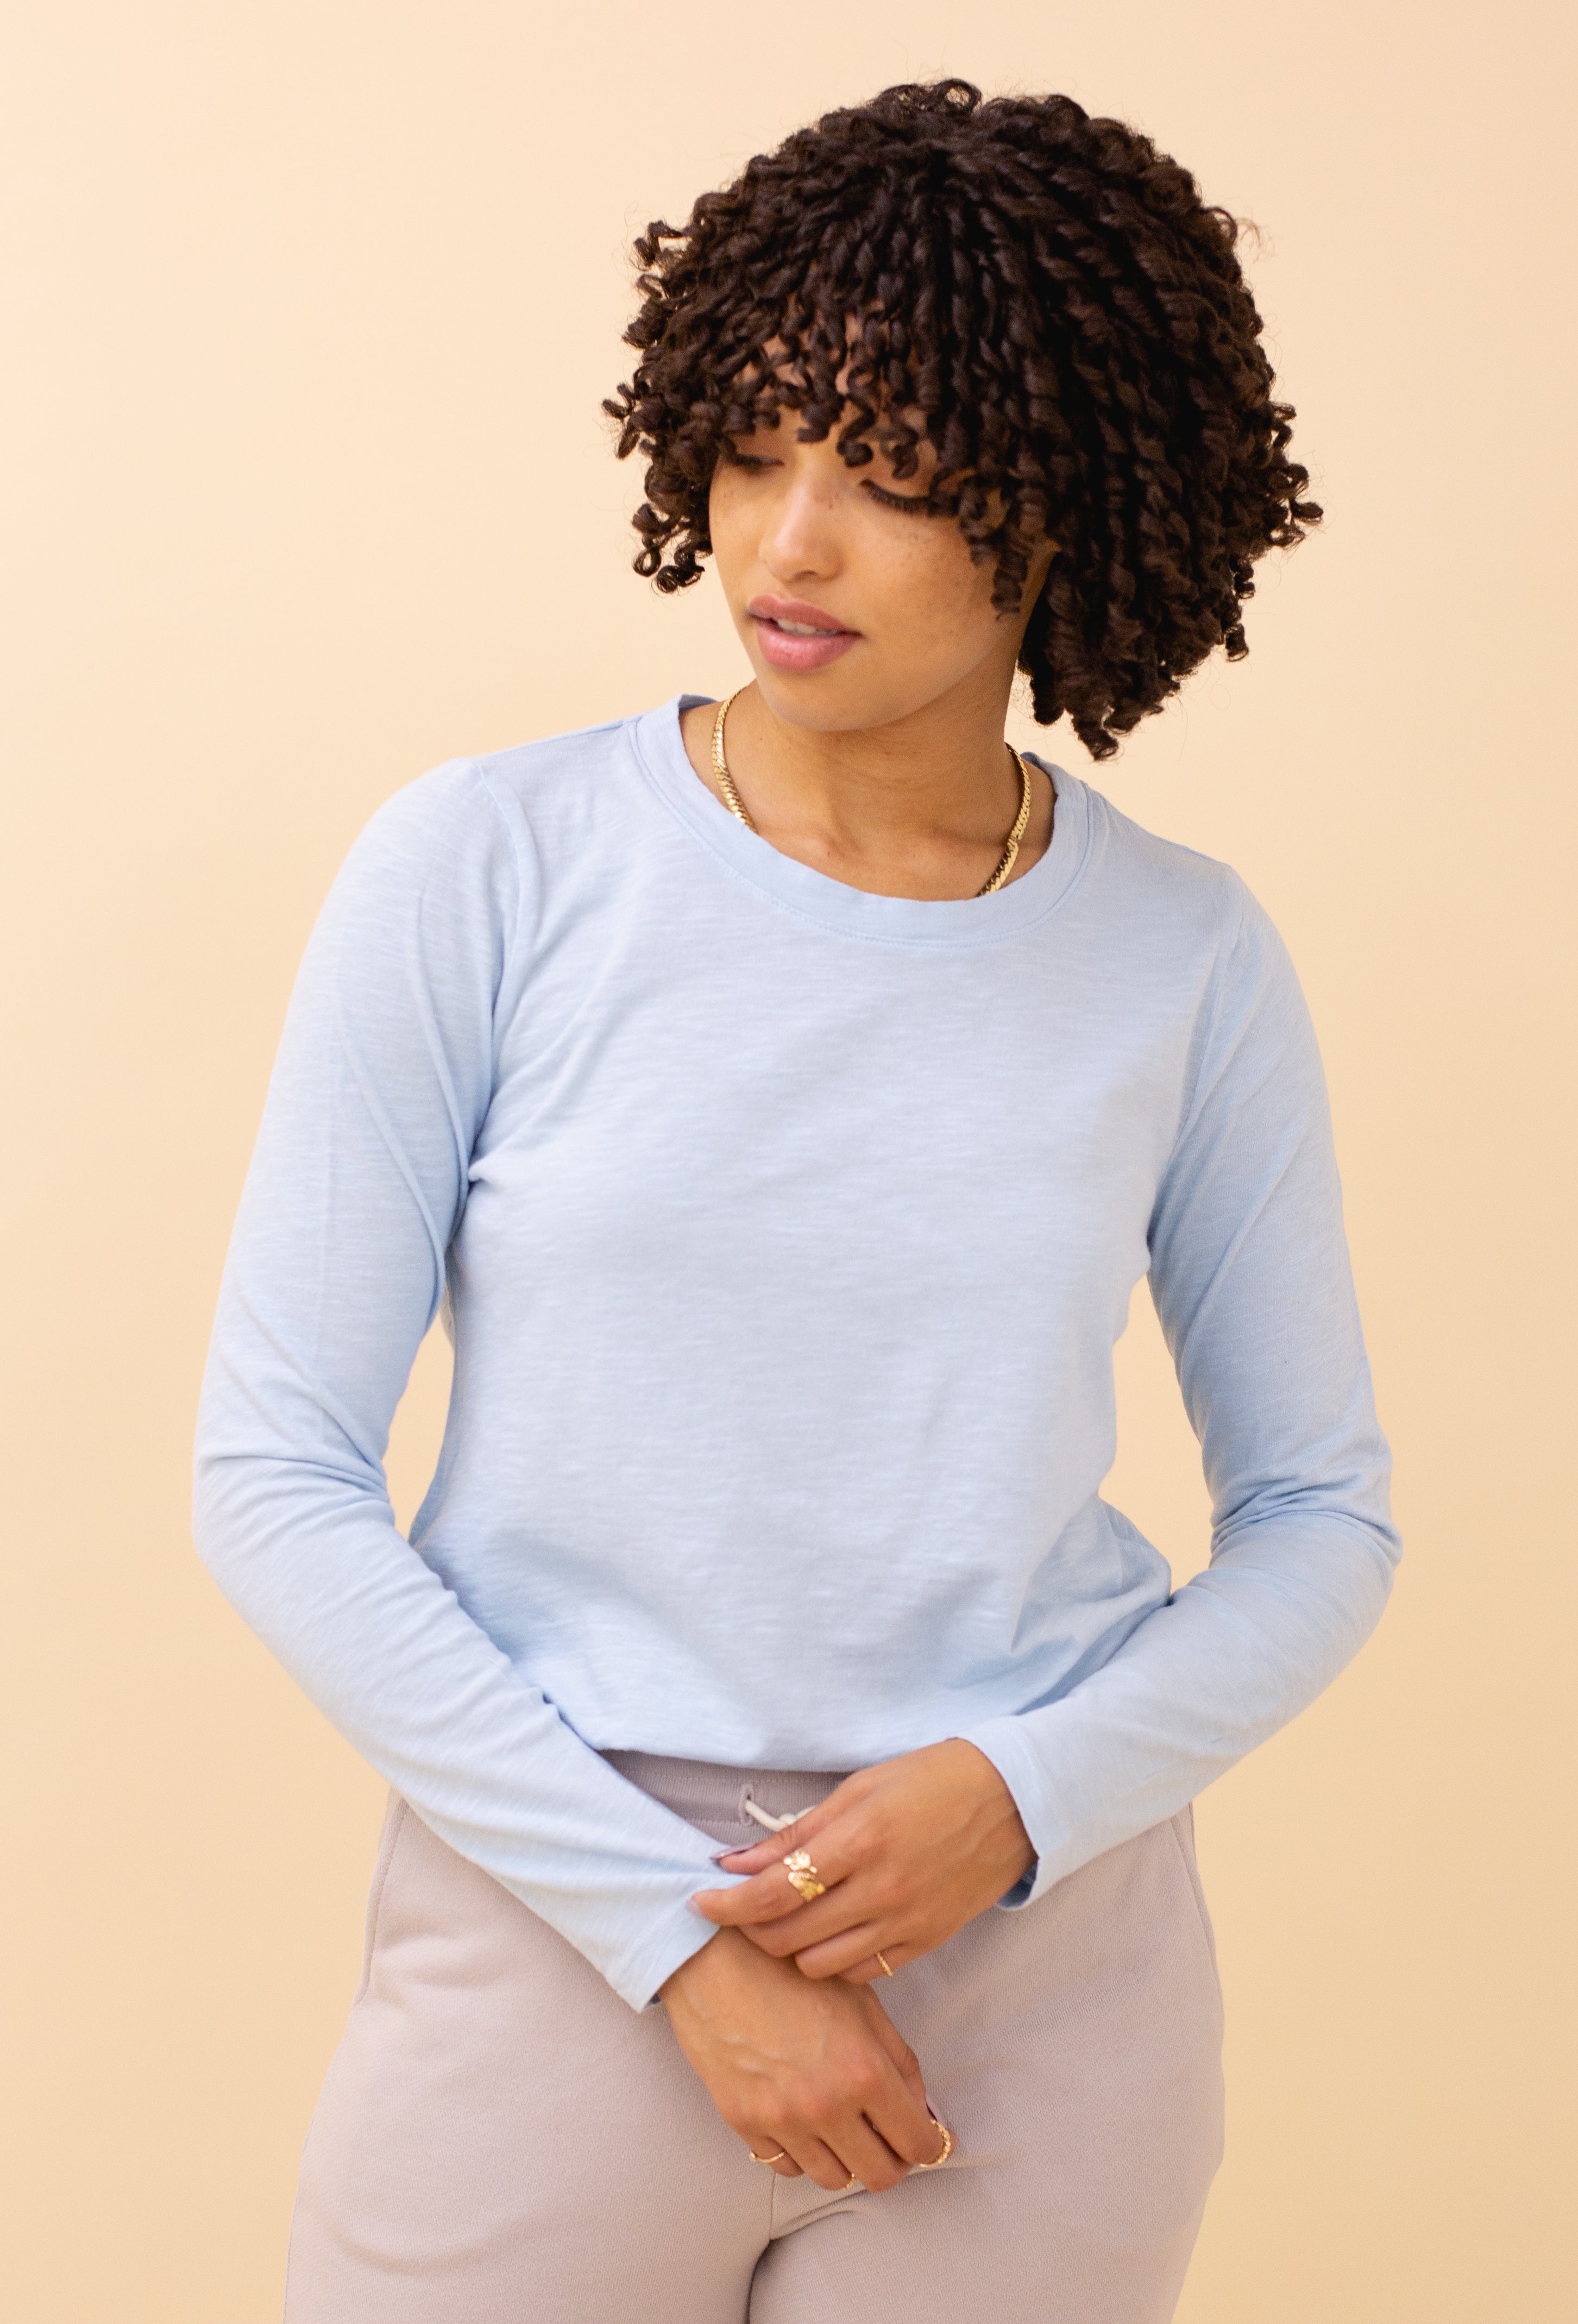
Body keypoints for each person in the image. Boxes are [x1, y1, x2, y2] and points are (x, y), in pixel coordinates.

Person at [194, 78, 1400, 2324]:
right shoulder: (487, 868)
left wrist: (1020, 1797)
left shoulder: (1182, 956)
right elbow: (268, 1473)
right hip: (563, 1924)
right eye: (754, 454)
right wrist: (672, 1939)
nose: (790, 545)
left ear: (1056, 498)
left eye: (892, 474)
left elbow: (1324, 1510)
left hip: (1039, 1981)